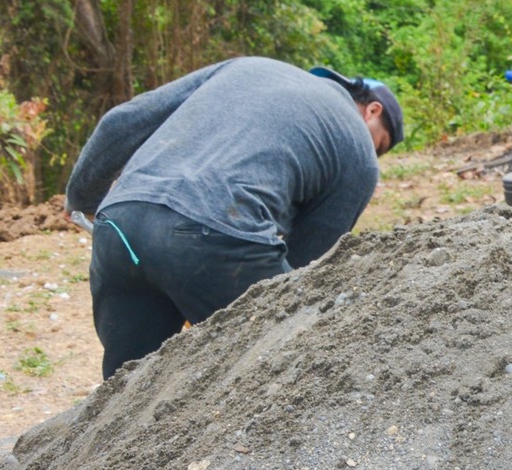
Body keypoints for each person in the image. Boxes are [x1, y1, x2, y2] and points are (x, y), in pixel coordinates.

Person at [65, 58, 402, 378]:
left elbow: (120, 122)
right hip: (213, 239)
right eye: (381, 144)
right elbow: (306, 271)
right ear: (372, 111)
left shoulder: (245, 68)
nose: (375, 153)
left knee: (127, 390)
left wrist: (82, 199)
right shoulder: (359, 149)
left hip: (119, 224)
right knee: (294, 358)